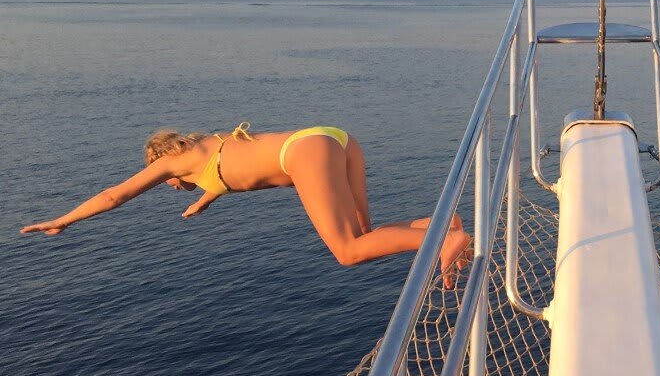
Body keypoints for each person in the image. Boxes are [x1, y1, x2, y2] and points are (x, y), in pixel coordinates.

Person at [20, 123, 473, 282]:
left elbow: (114, 195)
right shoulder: (205, 146)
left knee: (347, 251)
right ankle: (442, 224)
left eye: (167, 182)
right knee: (366, 235)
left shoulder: (171, 164)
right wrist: (203, 203)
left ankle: (442, 243)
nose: (171, 186)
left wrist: (63, 220)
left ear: (162, 163)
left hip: (303, 156)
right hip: (333, 138)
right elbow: (228, 174)